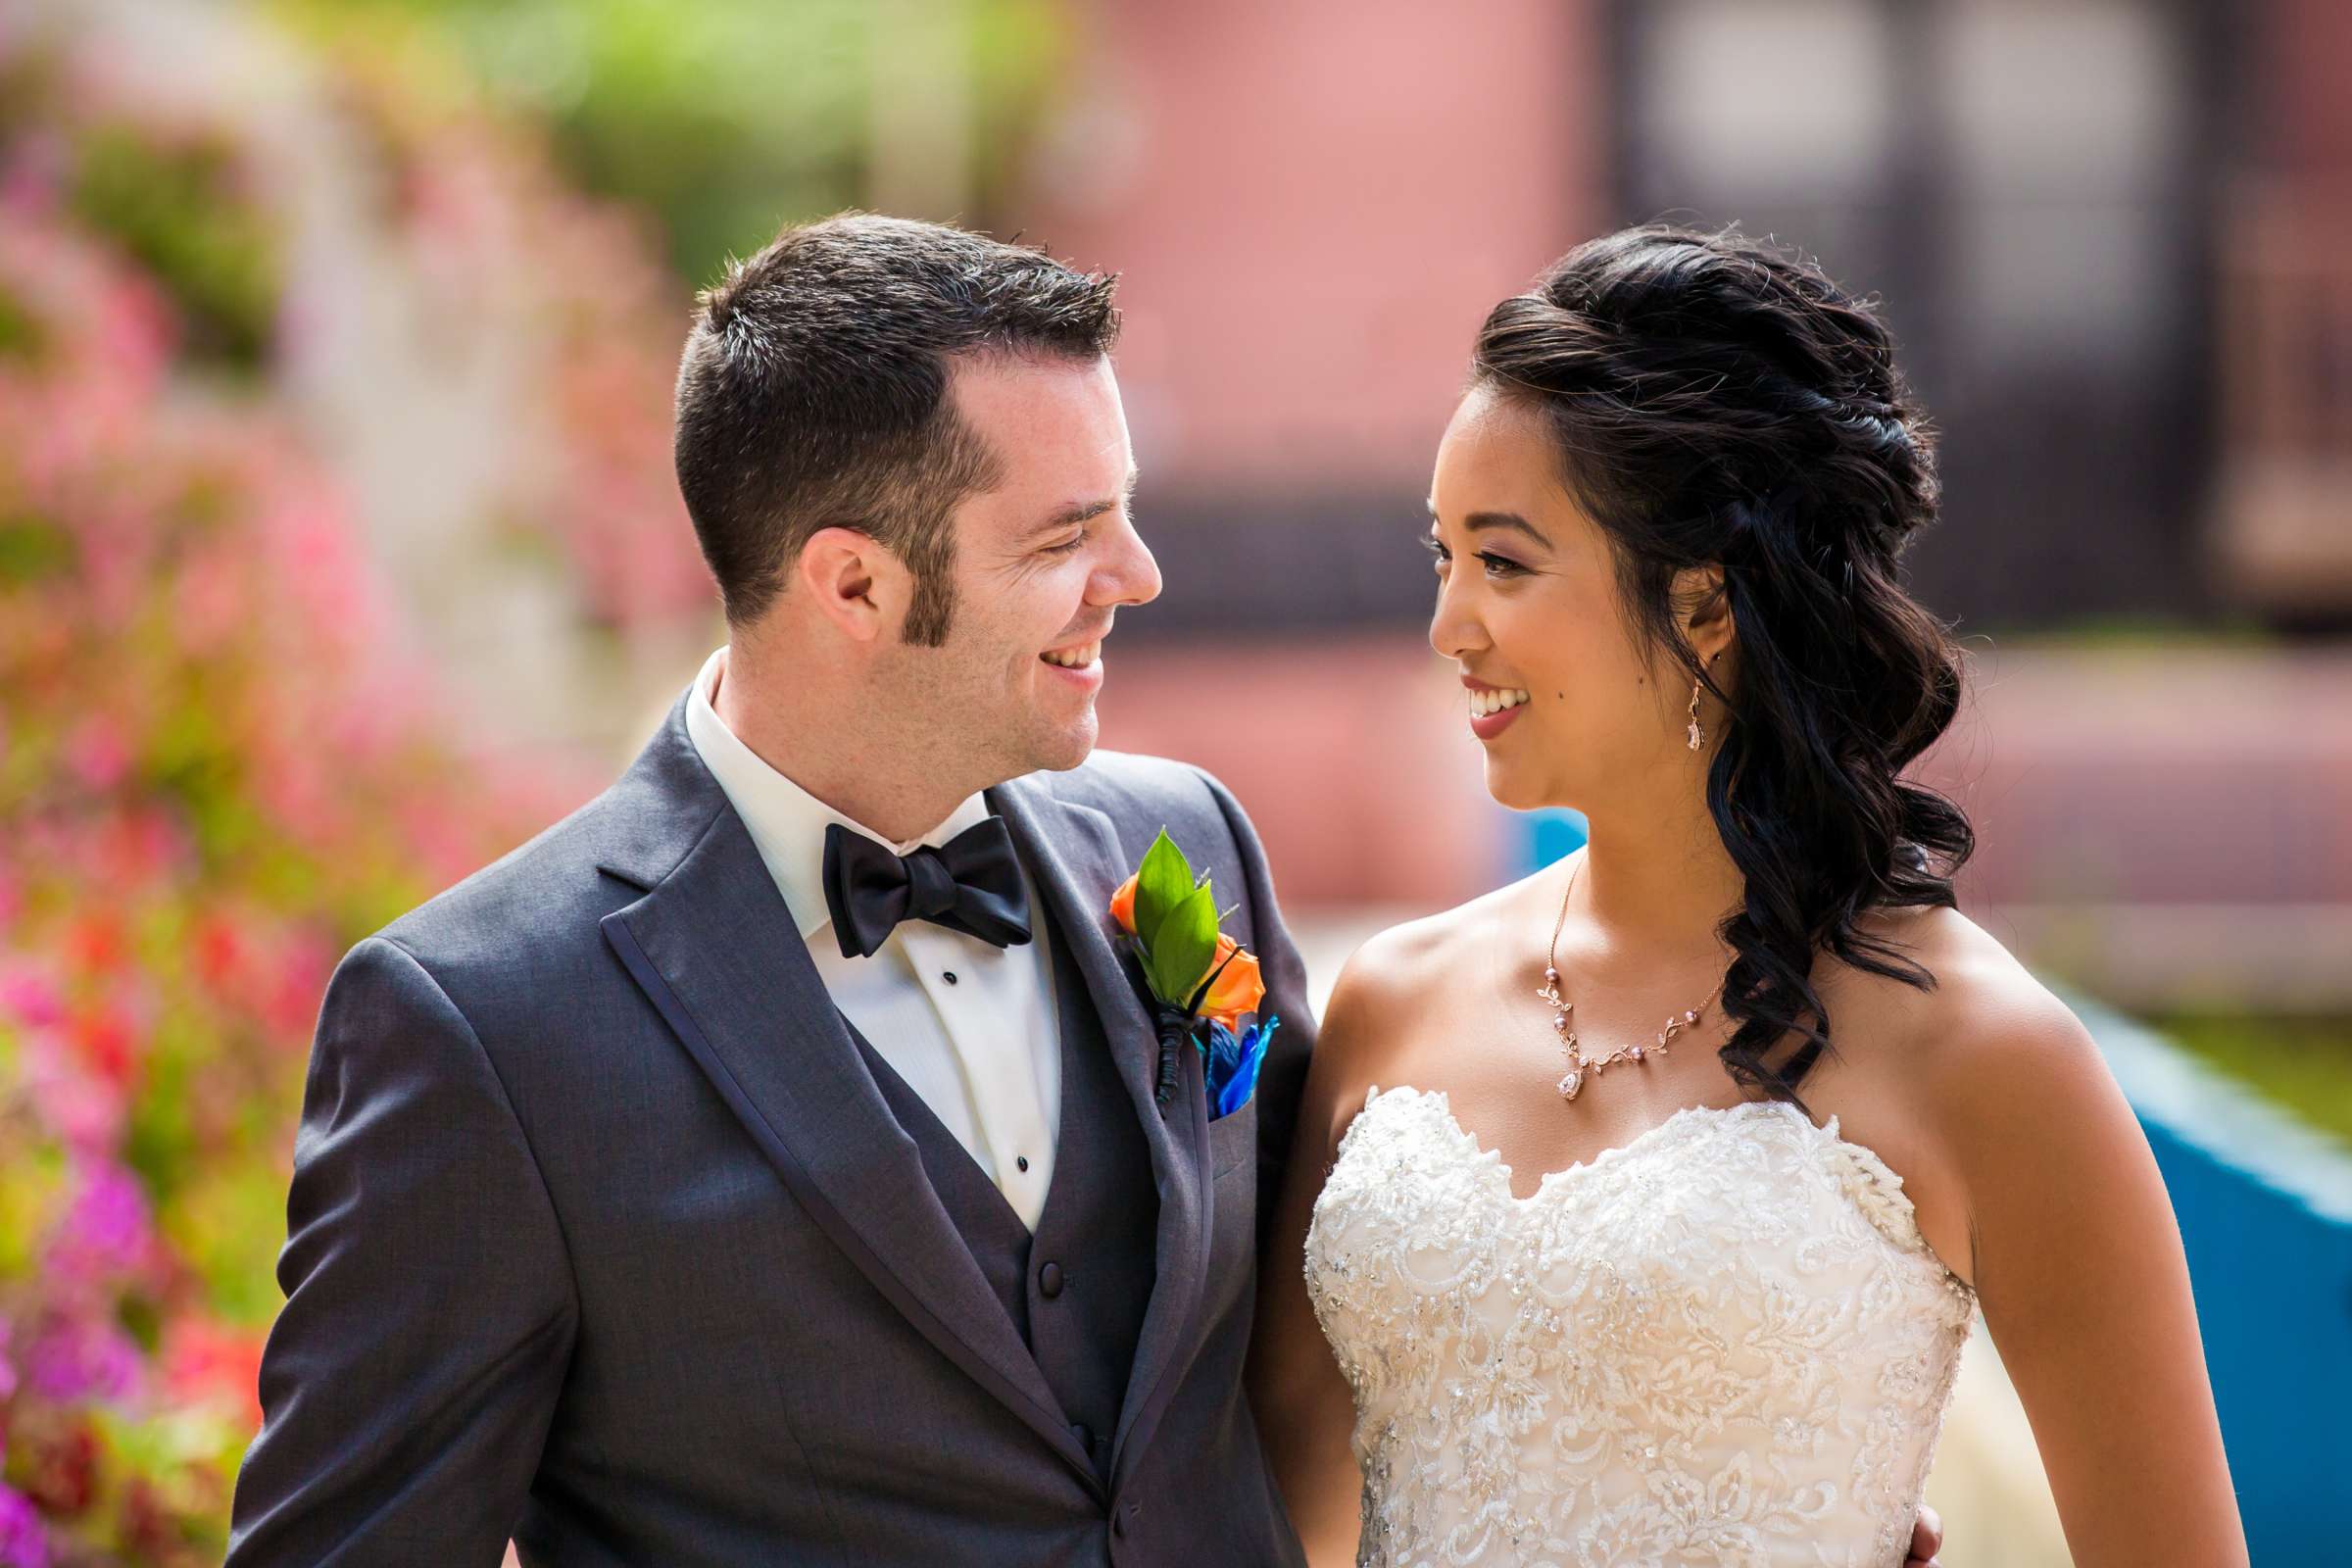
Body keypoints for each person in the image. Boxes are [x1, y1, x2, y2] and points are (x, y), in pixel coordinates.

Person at [227, 213, 1949, 1566]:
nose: (1135, 574)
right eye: (1064, 538)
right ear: (851, 585)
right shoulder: (482, 1031)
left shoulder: (1179, 846)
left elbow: (1376, 1311)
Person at [1249, 223, 2247, 1566]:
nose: (1450, 626)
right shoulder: (1388, 1001)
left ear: (1706, 601)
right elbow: (1262, 1521)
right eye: (1444, 558)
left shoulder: (1990, 1056)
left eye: (1504, 562)